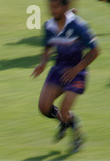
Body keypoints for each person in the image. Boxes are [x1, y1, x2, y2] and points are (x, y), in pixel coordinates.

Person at [31, 0, 100, 152]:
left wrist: (76, 69)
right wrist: (43, 62)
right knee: (44, 108)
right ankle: (64, 122)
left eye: (56, 7)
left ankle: (76, 131)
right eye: (50, 7)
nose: (52, 11)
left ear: (65, 7)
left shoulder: (78, 26)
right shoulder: (49, 26)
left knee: (64, 110)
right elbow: (47, 46)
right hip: (58, 70)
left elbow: (95, 51)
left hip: (77, 71)